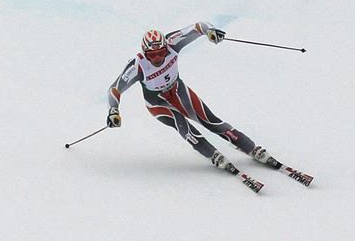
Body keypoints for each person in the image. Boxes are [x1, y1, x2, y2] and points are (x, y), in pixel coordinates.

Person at [106, 22, 287, 185]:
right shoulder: (137, 65)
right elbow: (114, 89)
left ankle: (251, 147)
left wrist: (210, 32)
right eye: (153, 55)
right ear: (145, 53)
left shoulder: (172, 43)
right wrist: (113, 111)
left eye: (161, 53)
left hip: (178, 91)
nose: (158, 58)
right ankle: (211, 153)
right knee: (181, 124)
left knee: (210, 120)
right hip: (158, 103)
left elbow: (199, 27)